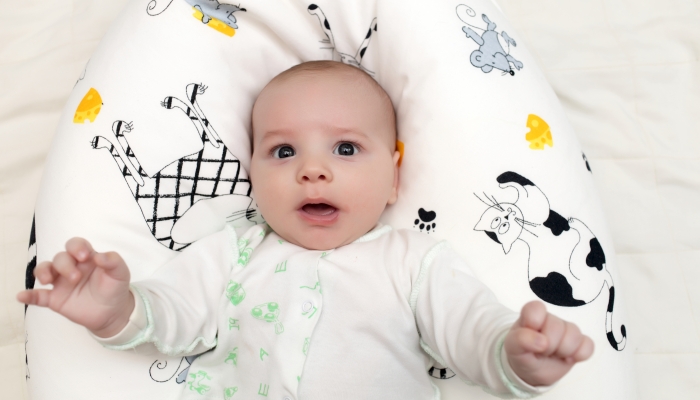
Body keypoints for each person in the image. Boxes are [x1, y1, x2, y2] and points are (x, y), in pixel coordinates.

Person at [18, 61, 593, 399]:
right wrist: (116, 310)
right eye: (283, 150)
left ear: (395, 178)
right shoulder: (234, 254)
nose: (311, 169)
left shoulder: (412, 260)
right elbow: (168, 315)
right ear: (252, 175)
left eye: (345, 148)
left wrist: (518, 354)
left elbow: (473, 332)